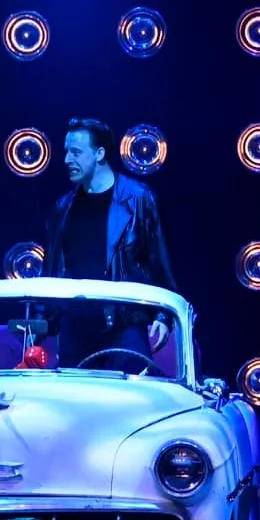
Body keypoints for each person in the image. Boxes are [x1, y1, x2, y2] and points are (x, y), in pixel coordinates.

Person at [44, 117, 178, 369]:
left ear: (100, 154)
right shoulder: (62, 207)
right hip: (75, 328)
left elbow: (161, 260)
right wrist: (40, 324)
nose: (66, 160)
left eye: (76, 152)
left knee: (128, 403)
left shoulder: (140, 199)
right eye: (66, 152)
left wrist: (163, 315)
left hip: (124, 325)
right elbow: (51, 269)